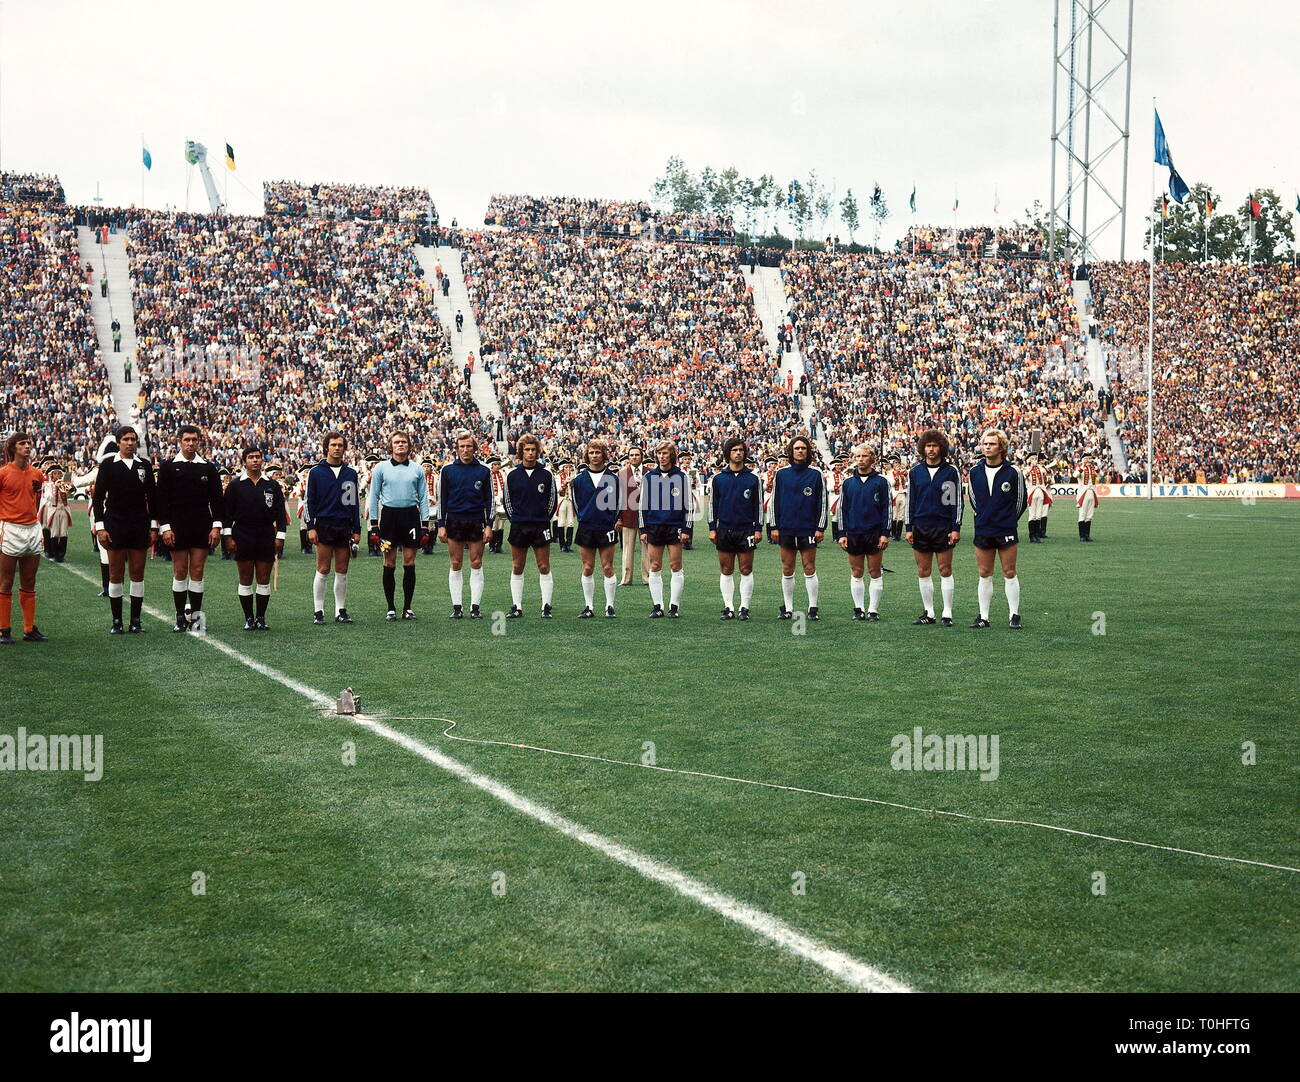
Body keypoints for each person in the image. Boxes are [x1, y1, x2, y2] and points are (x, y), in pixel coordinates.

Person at [156, 424, 224, 633]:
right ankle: (179, 617)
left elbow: (217, 501)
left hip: (201, 526)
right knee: (180, 571)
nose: (191, 443)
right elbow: (161, 501)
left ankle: (196, 618)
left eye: (194, 440)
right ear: (179, 441)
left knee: (197, 570)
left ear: (199, 441)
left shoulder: (208, 468)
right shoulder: (168, 467)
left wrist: (216, 527)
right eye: (186, 440)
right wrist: (165, 528)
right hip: (177, 526)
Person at [92, 426, 158, 634]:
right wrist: (101, 527)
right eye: (126, 439)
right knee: (115, 573)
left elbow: (153, 499)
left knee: (137, 572)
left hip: (139, 525)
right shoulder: (108, 465)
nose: (130, 443)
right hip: (115, 524)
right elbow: (97, 498)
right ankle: (117, 621)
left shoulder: (144, 465)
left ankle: (136, 621)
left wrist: (153, 526)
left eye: (133, 439)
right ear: (118, 442)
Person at [222, 446, 288, 630]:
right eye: (251, 457)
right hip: (242, 534)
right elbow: (227, 514)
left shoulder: (272, 485)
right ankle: (248, 618)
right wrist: (228, 537)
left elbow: (281, 514)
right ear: (244, 461)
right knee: (245, 577)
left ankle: (261, 617)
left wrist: (280, 536)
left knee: (263, 577)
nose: (255, 460)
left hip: (266, 534)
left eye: (258, 457)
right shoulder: (235, 485)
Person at [967, 428, 1027, 630]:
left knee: (1009, 572)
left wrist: (1008, 520)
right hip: (984, 529)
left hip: (1006, 529)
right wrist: (984, 517)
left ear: (1001, 447)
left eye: (991, 444)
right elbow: (974, 500)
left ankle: (1014, 614)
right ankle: (984, 616)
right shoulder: (974, 471)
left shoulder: (1013, 472)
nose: (987, 447)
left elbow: (1020, 501)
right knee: (984, 572)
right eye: (984, 443)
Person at [367, 431, 430, 620]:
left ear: (409, 445)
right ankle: (391, 607)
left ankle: (408, 608)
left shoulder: (417, 469)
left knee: (409, 562)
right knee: (389, 562)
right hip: (388, 519)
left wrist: (425, 526)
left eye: (404, 442)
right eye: (396, 442)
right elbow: (373, 496)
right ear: (390, 446)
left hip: (410, 517)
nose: (400, 445)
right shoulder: (381, 468)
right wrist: (374, 526)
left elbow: (424, 497)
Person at [904, 428, 962, 627]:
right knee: (923, 570)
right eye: (928, 446)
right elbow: (910, 501)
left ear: (941, 448)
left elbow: (956, 502)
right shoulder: (915, 472)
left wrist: (955, 527)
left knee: (945, 569)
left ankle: (947, 613)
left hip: (943, 527)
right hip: (921, 526)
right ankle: (929, 612)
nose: (931, 449)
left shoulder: (951, 471)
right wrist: (909, 527)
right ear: (923, 448)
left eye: (935, 445)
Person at [305, 431, 362, 625]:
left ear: (344, 448)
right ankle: (318, 610)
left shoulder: (351, 473)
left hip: (344, 526)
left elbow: (354, 503)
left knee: (342, 569)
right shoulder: (316, 472)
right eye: (333, 445)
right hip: (324, 525)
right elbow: (308, 502)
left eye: (340, 445)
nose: (337, 448)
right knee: (323, 568)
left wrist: (357, 529)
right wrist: (311, 527)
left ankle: (340, 610)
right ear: (326, 447)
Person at [437, 430, 492, 619]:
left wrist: (489, 524)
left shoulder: (484, 470)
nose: (466, 450)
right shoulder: (448, 470)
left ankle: (475, 607)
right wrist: (441, 525)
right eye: (462, 446)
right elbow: (441, 499)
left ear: (474, 448)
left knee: (476, 563)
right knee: (456, 563)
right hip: (454, 521)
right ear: (457, 449)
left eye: (469, 446)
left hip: (476, 520)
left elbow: (490, 500)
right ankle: (457, 607)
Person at [0, 433, 49, 643]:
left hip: (32, 528)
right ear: (13, 448)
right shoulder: (2, 473)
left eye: (29, 443)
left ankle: (29, 629)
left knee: (29, 580)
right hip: (10, 528)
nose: (27, 446)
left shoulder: (37, 474)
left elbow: (41, 497)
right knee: (5, 581)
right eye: (22, 443)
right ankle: (4, 629)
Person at [772, 434, 827, 620]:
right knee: (787, 568)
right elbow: (774, 502)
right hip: (786, 528)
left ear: (808, 451)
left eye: (803, 448)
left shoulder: (816, 474)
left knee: (809, 567)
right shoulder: (781, 474)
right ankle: (788, 608)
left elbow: (823, 502)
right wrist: (774, 527)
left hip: (808, 529)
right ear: (791, 451)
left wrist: (820, 527)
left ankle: (813, 608)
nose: (800, 451)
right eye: (797, 448)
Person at [834, 444, 892, 621]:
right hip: (854, 533)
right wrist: (842, 533)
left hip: (874, 533)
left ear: (872, 458)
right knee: (856, 571)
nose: (860, 459)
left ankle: (873, 610)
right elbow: (842, 509)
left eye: (864, 456)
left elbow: (887, 508)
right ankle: (859, 609)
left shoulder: (881, 482)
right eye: (857, 456)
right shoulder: (848, 483)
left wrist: (885, 533)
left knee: (874, 571)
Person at [503, 433, 557, 618]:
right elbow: (507, 501)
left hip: (540, 526)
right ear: (521, 452)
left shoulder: (547, 474)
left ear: (538, 451)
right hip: (519, 525)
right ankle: (517, 606)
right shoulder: (512, 475)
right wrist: (516, 519)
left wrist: (543, 519)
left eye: (533, 449)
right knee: (518, 566)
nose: (531, 453)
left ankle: (546, 606)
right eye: (527, 450)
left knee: (543, 566)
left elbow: (552, 501)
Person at [708, 436, 762, 620]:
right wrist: (712, 527)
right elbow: (712, 505)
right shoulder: (718, 479)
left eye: (741, 450)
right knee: (726, 569)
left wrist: (758, 529)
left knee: (746, 569)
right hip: (724, 529)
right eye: (734, 450)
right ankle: (729, 607)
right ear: (727, 453)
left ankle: (744, 608)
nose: (738, 453)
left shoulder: (753, 479)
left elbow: (758, 506)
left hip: (746, 529)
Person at [639, 440, 692, 617]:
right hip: (654, 527)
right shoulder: (649, 477)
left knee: (675, 566)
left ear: (672, 455)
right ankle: (658, 606)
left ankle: (674, 607)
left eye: (665, 453)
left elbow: (688, 505)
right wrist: (643, 529)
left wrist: (687, 529)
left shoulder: (682, 476)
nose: (661, 457)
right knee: (655, 566)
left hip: (675, 527)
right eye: (659, 453)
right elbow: (643, 505)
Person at [570, 438, 621, 618]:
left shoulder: (614, 479)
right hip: (586, 527)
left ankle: (609, 606)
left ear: (603, 454)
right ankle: (589, 606)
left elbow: (619, 503)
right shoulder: (578, 480)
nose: (594, 455)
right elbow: (576, 504)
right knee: (588, 567)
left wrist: (612, 520)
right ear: (587, 455)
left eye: (598, 452)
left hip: (606, 527)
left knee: (607, 567)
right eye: (591, 452)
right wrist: (583, 518)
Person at [618, 447, 647, 586]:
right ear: (628, 457)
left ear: (642, 456)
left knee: (647, 549)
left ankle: (647, 578)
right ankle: (626, 578)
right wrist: (618, 518)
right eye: (631, 455)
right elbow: (618, 498)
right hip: (628, 516)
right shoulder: (622, 474)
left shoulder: (650, 473)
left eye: (637, 455)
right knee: (627, 549)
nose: (634, 457)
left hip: (647, 518)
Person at [1025, 454, 1051, 542]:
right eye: (1032, 459)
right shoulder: (1026, 469)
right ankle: (1032, 536)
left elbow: (1047, 471)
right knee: (1033, 515)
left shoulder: (1040, 468)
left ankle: (1037, 535)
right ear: (1029, 461)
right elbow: (1025, 476)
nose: (1035, 460)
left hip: (1041, 493)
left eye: (1035, 459)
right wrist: (1032, 467)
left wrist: (1041, 466)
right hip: (1032, 493)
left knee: (1039, 515)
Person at [1077, 456, 1100, 541]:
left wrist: (1094, 465)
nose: (1088, 461)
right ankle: (1082, 536)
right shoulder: (1081, 469)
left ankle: (1087, 535)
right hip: (1083, 494)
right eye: (1087, 459)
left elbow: (1100, 474)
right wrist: (1083, 466)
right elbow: (1075, 475)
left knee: (1089, 515)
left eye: (1089, 459)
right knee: (1082, 514)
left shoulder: (1093, 469)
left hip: (1092, 493)